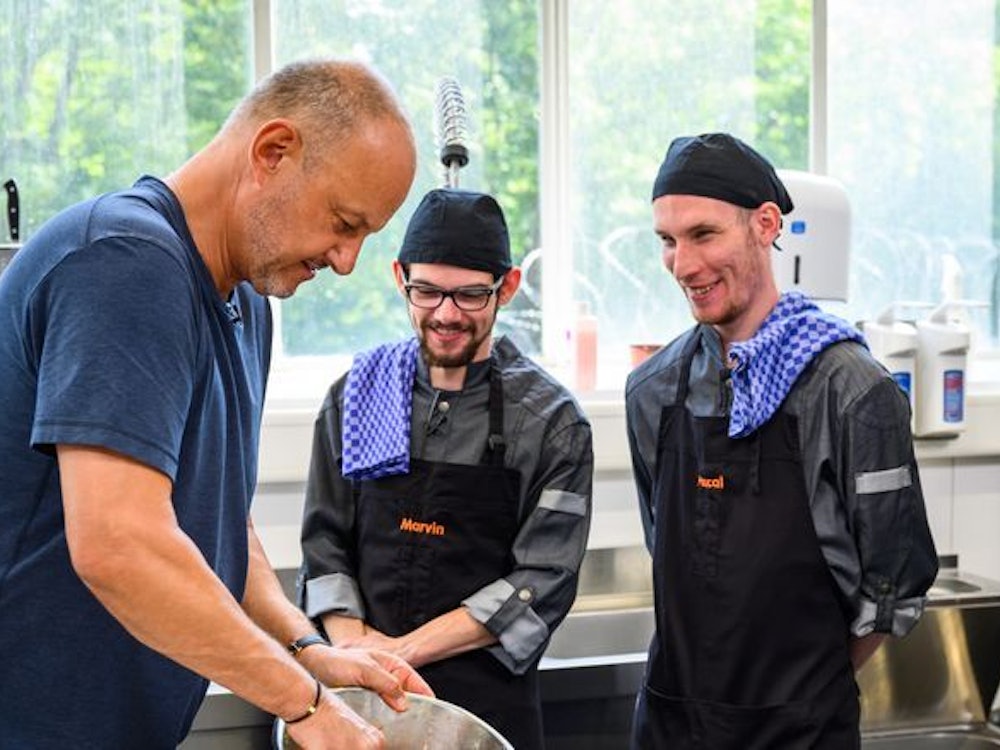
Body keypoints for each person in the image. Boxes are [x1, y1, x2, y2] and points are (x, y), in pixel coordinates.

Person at [0, 58, 434, 750]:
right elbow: (119, 544)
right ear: (273, 152)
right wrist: (307, 705)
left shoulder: (247, 301)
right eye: (344, 223)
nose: (348, 261)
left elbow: (218, 523)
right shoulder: (125, 263)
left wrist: (304, 648)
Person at [625, 132, 939, 749]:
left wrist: (793, 698)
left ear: (766, 225)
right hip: (671, 728)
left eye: (704, 234)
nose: (684, 265)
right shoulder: (652, 392)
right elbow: (665, 545)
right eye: (668, 240)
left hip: (798, 733)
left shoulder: (851, 392)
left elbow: (893, 589)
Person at [299, 187, 594, 750]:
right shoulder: (358, 397)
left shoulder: (552, 424)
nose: (446, 315)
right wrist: (351, 642)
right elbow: (324, 543)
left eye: (470, 296)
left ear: (506, 287)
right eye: (427, 292)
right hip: (361, 704)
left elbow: (542, 581)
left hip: (485, 712)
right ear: (399, 277)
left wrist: (398, 653)